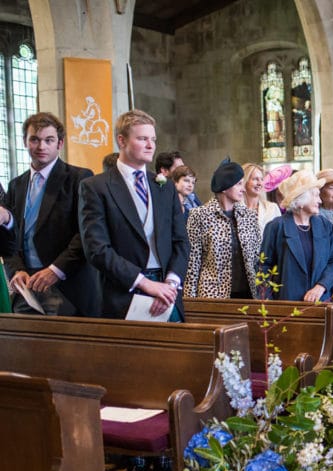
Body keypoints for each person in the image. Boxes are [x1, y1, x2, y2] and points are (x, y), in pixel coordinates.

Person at [79, 109, 189, 321]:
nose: (151, 145)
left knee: (175, 353)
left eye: (153, 139)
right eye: (142, 139)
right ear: (122, 140)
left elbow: (181, 241)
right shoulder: (96, 187)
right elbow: (97, 249)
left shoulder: (164, 187)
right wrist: (146, 284)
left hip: (167, 290)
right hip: (122, 292)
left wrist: (170, 284)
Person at [3, 112, 100, 316]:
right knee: (24, 345)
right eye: (35, 140)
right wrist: (16, 269)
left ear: (60, 143)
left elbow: (85, 233)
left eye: (49, 140)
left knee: (66, 348)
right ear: (25, 142)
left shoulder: (79, 178)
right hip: (27, 285)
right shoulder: (16, 185)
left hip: (66, 285)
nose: (41, 147)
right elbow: (8, 236)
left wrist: (55, 270)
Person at [259, 170, 333, 302]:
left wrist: (321, 286)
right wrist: (269, 302)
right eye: (315, 196)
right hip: (287, 303)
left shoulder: (325, 226)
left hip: (323, 300)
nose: (319, 200)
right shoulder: (276, 227)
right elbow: (263, 267)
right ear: (301, 200)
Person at [185, 160, 262, 299]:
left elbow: (258, 257)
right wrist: (190, 301)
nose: (243, 189)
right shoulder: (199, 215)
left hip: (249, 294)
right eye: (239, 184)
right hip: (213, 296)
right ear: (225, 187)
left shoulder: (249, 216)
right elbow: (192, 263)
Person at [242, 162, 281, 234]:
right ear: (245, 181)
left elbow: (280, 236)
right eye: (255, 179)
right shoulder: (236, 209)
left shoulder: (272, 208)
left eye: (262, 179)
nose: (260, 183)